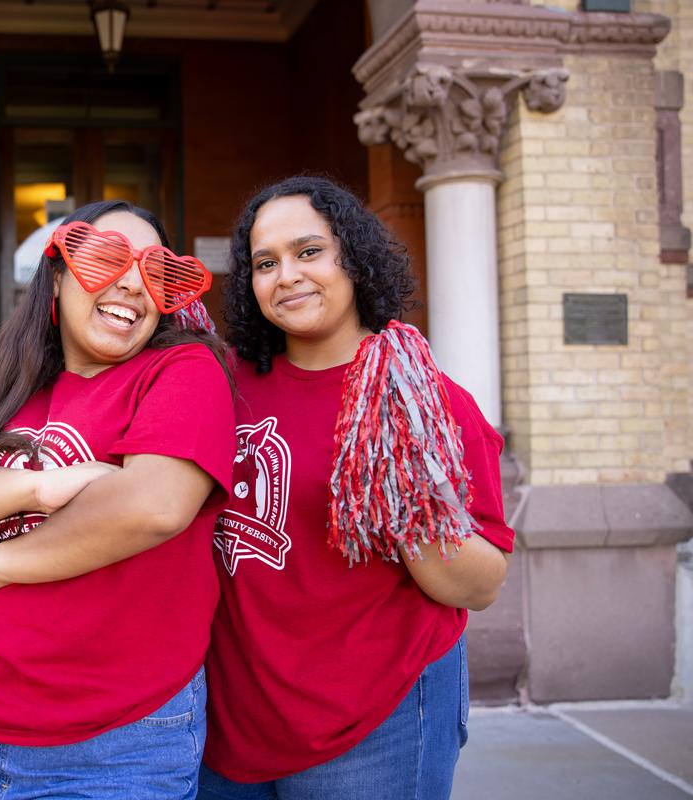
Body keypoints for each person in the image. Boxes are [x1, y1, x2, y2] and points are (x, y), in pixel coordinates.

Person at [0, 200, 236, 799]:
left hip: (116, 743)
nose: (132, 282)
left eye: (158, 271)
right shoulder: (13, 387)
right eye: (107, 257)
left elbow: (153, 507)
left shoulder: (183, 369)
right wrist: (40, 486)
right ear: (55, 277)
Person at [198, 176, 515, 800]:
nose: (286, 275)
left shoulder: (429, 402)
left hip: (376, 721)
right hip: (231, 719)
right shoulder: (221, 385)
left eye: (308, 251)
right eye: (266, 263)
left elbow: (481, 585)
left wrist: (400, 484)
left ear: (354, 259)